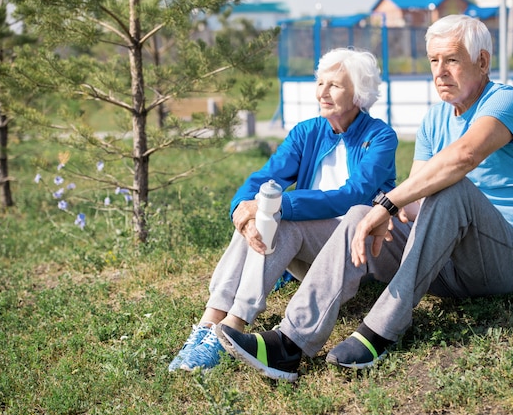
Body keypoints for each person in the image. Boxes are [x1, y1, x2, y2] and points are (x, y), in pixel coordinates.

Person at [217, 14, 513, 382]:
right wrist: (385, 211)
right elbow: (414, 198)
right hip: (444, 264)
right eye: (434, 61)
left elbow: (463, 158)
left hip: (508, 260)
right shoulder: (434, 119)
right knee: (360, 213)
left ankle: (380, 330)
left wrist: (387, 203)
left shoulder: (504, 101)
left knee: (450, 186)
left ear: (482, 62)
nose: (440, 72)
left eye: (452, 60)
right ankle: (290, 344)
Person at [168, 48, 399, 372]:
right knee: (262, 216)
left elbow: (355, 195)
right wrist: (242, 211)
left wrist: (274, 206)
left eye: (334, 85)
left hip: (354, 256)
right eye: (320, 82)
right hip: (309, 256)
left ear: (358, 92)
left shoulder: (380, 137)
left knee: (280, 217)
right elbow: (263, 179)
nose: (323, 91)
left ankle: (229, 328)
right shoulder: (307, 132)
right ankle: (209, 324)